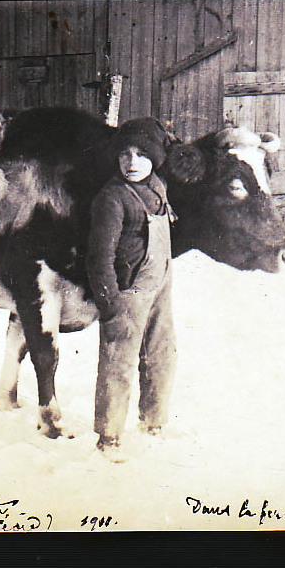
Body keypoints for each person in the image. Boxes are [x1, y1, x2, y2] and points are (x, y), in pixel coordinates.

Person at [86, 118, 178, 462]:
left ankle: (153, 421)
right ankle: (108, 437)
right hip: (128, 291)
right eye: (125, 154)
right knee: (118, 363)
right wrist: (109, 300)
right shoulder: (112, 199)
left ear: (155, 158)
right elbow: (100, 256)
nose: (132, 162)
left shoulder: (157, 187)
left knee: (161, 353)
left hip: (160, 284)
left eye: (141, 154)